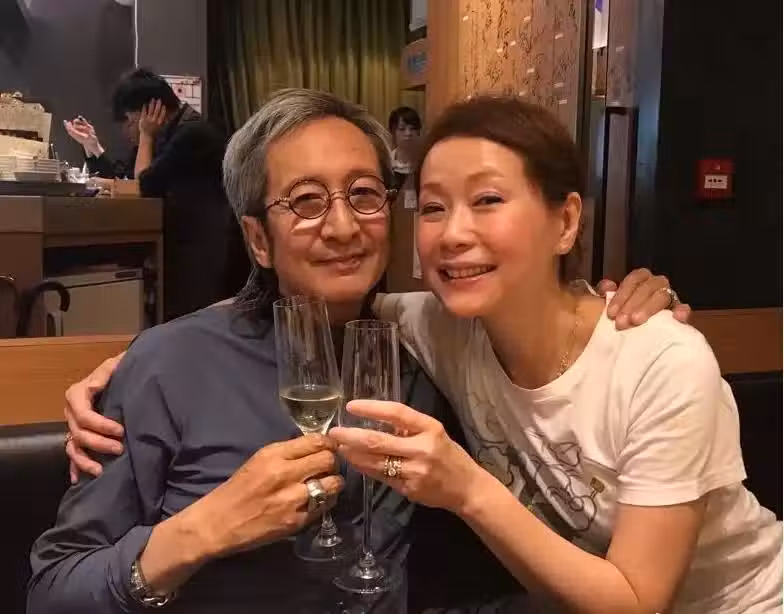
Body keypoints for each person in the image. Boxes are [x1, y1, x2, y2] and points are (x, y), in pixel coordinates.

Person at [47, 88, 684, 613]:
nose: (344, 226)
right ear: (258, 240)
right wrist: (200, 530)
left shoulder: (428, 348)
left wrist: (623, 306)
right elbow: (53, 588)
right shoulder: (169, 367)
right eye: (306, 201)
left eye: (363, 194)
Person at [328, 96, 783, 613]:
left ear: (565, 222)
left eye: (488, 199)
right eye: (434, 207)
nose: (453, 234)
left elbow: (637, 603)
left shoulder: (661, 363)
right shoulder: (443, 326)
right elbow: (342, 295)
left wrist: (466, 488)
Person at [64, 68, 248, 320]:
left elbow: (145, 184)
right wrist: (92, 146)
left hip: (205, 252)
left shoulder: (192, 134)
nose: (126, 130)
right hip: (183, 245)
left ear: (150, 111)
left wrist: (146, 135)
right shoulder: (169, 133)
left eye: (129, 121)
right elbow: (128, 178)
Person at [387, 106, 422, 187]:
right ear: (393, 132)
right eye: (402, 129)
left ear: (418, 132)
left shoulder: (425, 163)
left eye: (413, 129)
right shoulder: (386, 164)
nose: (408, 133)